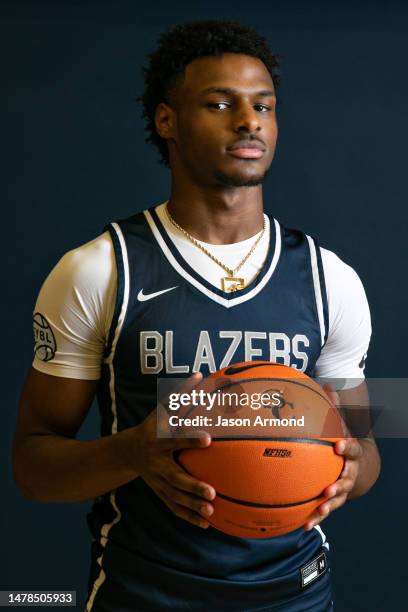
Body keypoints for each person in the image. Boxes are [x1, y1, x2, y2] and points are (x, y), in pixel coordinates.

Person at [13, 19, 381, 612]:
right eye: (220, 103)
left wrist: (350, 467)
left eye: (263, 104)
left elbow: (370, 449)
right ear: (167, 121)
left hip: (296, 596)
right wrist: (134, 449)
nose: (249, 120)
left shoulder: (332, 278)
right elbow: (31, 463)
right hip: (144, 594)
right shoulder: (97, 270)